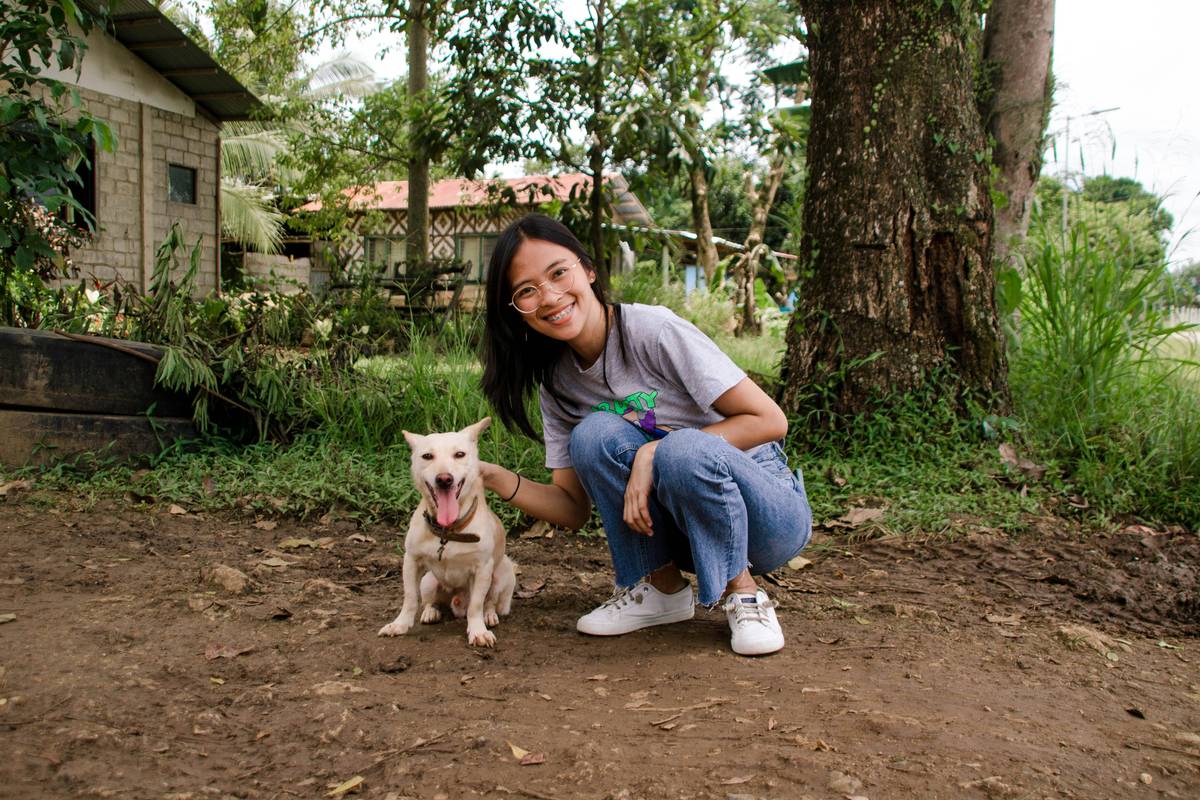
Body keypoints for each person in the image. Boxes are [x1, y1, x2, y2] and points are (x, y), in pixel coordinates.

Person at [478, 214, 811, 656]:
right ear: (516, 310)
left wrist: (655, 451)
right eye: (526, 290)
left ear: (589, 270)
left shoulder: (652, 330)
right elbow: (573, 509)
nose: (549, 296)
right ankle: (661, 589)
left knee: (683, 449)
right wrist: (494, 478)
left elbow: (770, 421)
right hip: (689, 532)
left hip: (767, 514)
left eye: (559, 272)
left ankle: (743, 593)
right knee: (593, 434)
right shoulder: (557, 383)